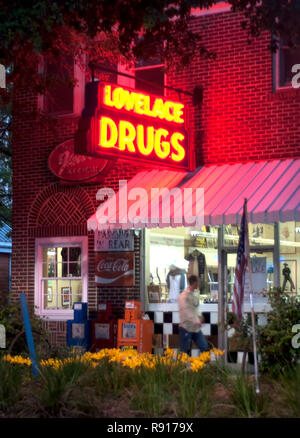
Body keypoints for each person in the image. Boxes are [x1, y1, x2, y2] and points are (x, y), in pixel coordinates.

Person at [178, 275, 209, 355]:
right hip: (186, 327)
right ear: (195, 283)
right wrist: (197, 320)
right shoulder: (183, 296)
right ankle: (182, 366)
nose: (199, 284)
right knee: (184, 352)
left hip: (195, 328)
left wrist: (200, 316)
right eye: (198, 282)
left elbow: (195, 308)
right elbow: (187, 311)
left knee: (204, 347)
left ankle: (203, 365)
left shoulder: (195, 293)